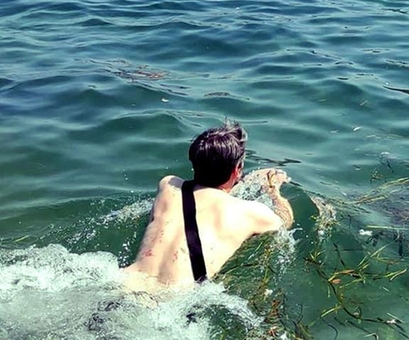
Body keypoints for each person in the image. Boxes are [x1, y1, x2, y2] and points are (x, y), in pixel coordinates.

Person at [124, 121, 292, 289]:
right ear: (236, 170)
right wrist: (273, 188)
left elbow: (205, 197)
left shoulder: (168, 185)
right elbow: (285, 220)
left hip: (123, 283)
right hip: (172, 298)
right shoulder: (252, 213)